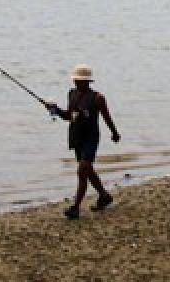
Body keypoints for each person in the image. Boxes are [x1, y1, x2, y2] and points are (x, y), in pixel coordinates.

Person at [45, 64, 121, 219]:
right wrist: (55, 109)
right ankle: (104, 196)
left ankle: (75, 207)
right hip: (76, 137)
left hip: (91, 138)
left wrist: (114, 132)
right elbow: (69, 116)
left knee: (82, 171)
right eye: (76, 80)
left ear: (88, 81)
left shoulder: (98, 98)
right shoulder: (71, 94)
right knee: (88, 171)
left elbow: (107, 117)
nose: (77, 83)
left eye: (81, 80)